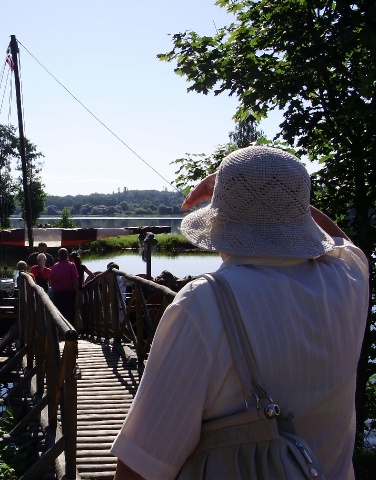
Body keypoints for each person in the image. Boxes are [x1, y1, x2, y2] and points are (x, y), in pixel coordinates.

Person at [111, 146, 369, 479]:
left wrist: (241, 189)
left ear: (220, 222)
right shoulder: (348, 280)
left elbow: (141, 465)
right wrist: (279, 196)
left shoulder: (204, 303)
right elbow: (341, 242)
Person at [49, 248, 79, 322]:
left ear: (58, 256)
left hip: (58, 294)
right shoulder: (71, 265)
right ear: (67, 255)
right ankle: (71, 327)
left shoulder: (55, 266)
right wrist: (78, 292)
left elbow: (51, 281)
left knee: (60, 314)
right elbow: (75, 280)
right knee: (71, 313)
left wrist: (54, 289)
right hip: (70, 293)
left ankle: (60, 328)